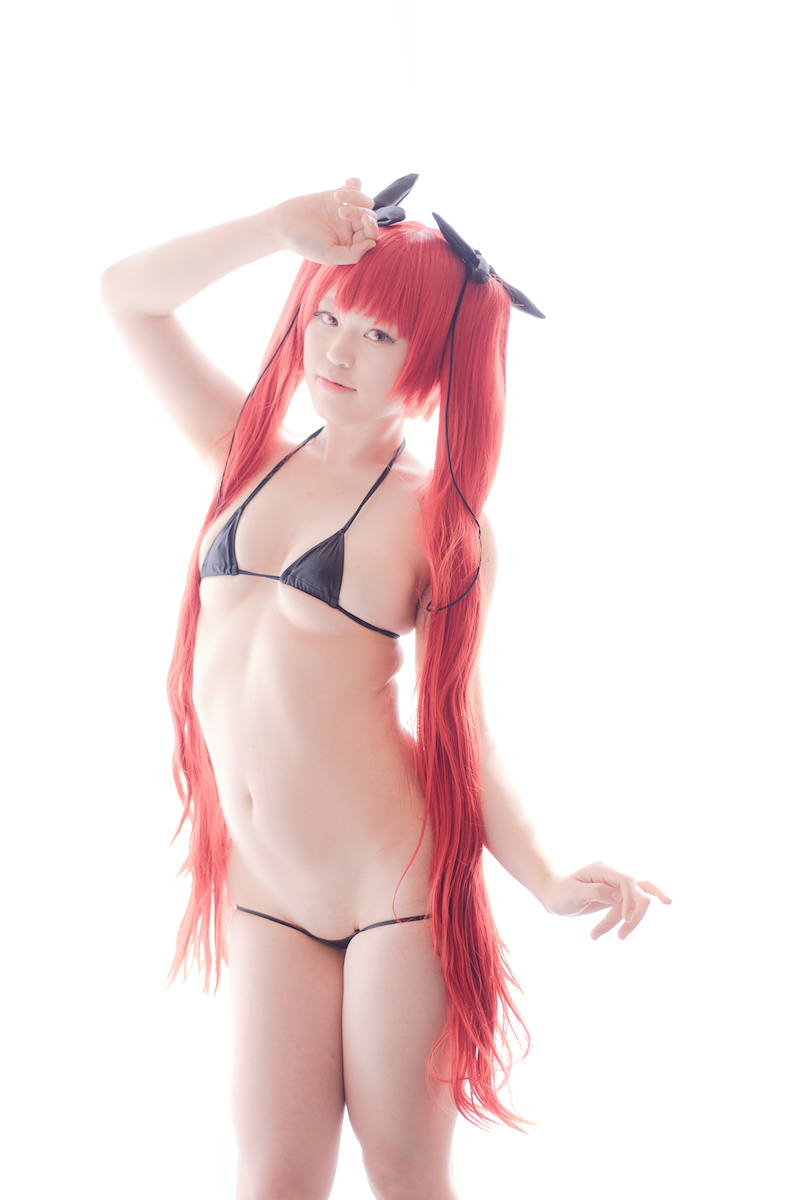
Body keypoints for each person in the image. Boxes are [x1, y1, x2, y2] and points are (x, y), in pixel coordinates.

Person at [101, 174, 671, 1200]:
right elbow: (126, 297)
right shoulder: (245, 456)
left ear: (435, 361)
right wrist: (274, 228)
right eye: (326, 314)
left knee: (403, 1168)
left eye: (378, 335)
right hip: (266, 889)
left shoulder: (440, 524)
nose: (336, 352)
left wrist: (545, 875)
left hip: (392, 889)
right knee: (274, 1177)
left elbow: (464, 729)